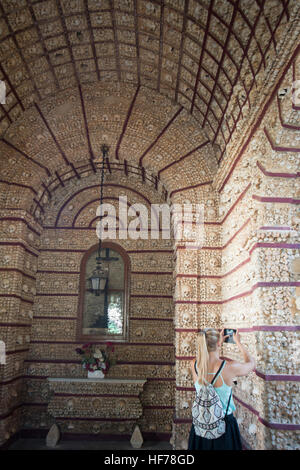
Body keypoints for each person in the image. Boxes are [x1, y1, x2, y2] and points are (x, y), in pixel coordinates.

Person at [188, 328, 256, 450]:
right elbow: (251, 363)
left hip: (201, 427)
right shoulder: (229, 367)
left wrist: (217, 341)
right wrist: (238, 342)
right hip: (224, 426)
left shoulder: (194, 364)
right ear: (219, 343)